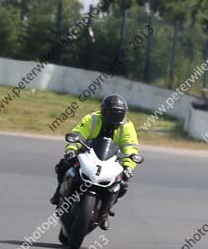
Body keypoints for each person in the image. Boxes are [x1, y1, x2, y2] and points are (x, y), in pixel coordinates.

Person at [50, 95, 140, 230]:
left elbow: (130, 146)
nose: (115, 118)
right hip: (87, 155)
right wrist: (71, 149)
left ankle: (105, 212)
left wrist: (129, 166)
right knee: (64, 164)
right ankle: (59, 193)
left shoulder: (127, 126)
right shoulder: (92, 119)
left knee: (123, 184)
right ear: (103, 111)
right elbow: (78, 133)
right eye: (112, 114)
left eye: (119, 114)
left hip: (111, 161)